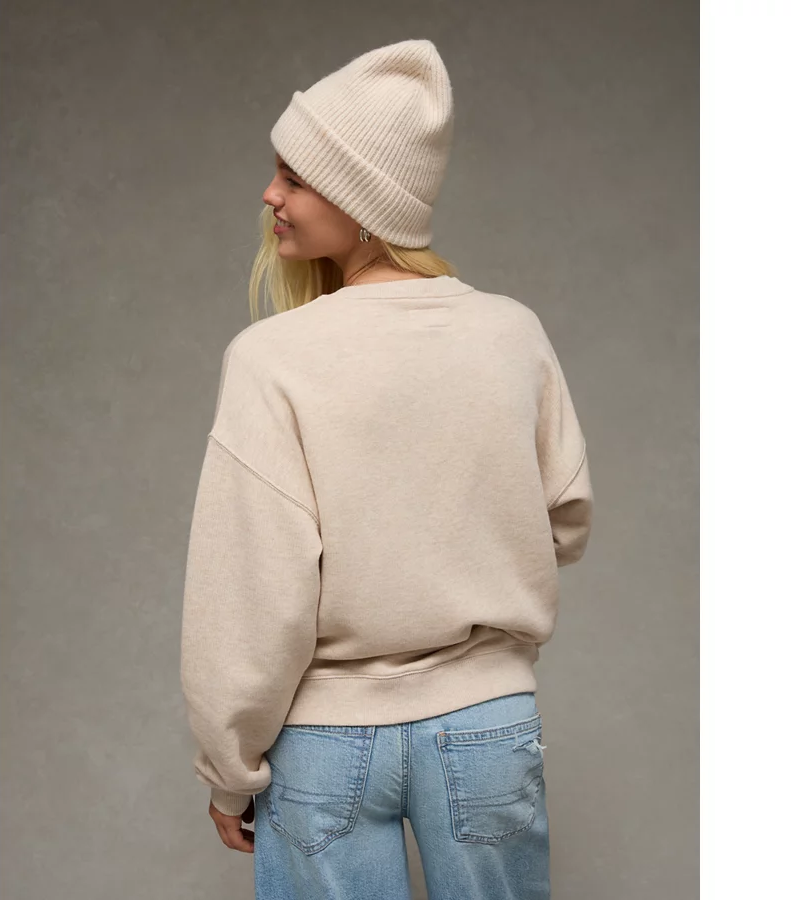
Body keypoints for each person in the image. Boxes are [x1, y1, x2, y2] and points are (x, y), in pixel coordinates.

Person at [180, 38, 593, 900]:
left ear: (362, 200)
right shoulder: (511, 333)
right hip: (487, 727)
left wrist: (228, 769)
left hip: (325, 745)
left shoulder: (271, 357)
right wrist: (460, 554)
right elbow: (565, 516)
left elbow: (250, 591)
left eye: (294, 177)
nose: (270, 195)